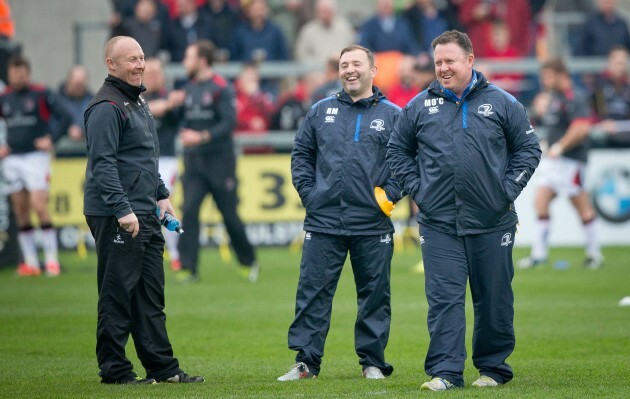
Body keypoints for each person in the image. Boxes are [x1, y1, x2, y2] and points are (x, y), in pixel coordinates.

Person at [386, 30, 541, 390]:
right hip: (439, 223)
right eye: (438, 62)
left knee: (494, 300)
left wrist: (506, 191)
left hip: (493, 220)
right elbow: (397, 151)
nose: (442, 68)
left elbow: (528, 150)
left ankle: (493, 370)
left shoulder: (503, 102)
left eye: (449, 61)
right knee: (443, 299)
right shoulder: (418, 106)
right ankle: (445, 372)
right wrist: (418, 189)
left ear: (470, 61)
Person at [277, 44, 405, 382]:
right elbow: (301, 155)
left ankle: (373, 363)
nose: (349, 69)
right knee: (312, 294)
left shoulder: (393, 114)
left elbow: (406, 163)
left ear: (373, 71)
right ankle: (306, 364)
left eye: (357, 64)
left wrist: (390, 195)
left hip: (372, 222)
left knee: (375, 296)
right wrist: (310, 194)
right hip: (323, 221)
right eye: (344, 64)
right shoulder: (320, 111)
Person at [83, 35, 204, 384]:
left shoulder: (137, 101)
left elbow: (143, 157)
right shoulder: (106, 107)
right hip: (118, 213)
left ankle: (163, 369)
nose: (139, 65)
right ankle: (115, 370)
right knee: (118, 293)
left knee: (150, 294)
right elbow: (103, 165)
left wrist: (161, 195)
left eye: (141, 58)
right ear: (111, 64)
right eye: (131, 60)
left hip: (144, 210)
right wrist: (123, 209)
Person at [173, 40, 259, 283]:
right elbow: (178, 121)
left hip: (220, 163)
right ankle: (188, 268)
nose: (184, 63)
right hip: (194, 163)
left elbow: (229, 123)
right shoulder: (187, 90)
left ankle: (248, 261)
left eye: (188, 57)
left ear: (202, 60)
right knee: (188, 211)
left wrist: (200, 137)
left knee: (229, 215)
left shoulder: (222, 88)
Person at [517, 59, 603, 269]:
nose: (544, 81)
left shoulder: (576, 97)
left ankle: (594, 255)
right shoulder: (553, 98)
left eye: (547, 76)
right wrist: (537, 112)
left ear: (560, 75)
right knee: (540, 201)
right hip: (554, 161)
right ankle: (539, 254)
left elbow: (581, 128)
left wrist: (560, 147)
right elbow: (544, 122)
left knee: (582, 206)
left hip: (571, 161)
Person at [0, 55, 73, 276]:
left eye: (21, 72)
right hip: (13, 159)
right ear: (9, 75)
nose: (18, 76)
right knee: (20, 210)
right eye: (14, 73)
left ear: (28, 74)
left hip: (36, 158)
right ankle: (30, 262)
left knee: (39, 206)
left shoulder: (41, 93)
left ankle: (52, 261)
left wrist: (51, 139)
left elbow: (66, 117)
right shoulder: (4, 98)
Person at [143, 57, 182, 271]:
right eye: (148, 73)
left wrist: (171, 104)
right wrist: (167, 105)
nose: (152, 77)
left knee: (164, 204)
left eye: (156, 74)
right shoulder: (136, 98)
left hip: (165, 159)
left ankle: (175, 253)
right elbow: (151, 109)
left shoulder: (170, 97)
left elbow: (180, 117)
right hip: (140, 160)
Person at [590, 46, 630, 148]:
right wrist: (601, 122)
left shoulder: (628, 85)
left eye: (623, 63)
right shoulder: (599, 84)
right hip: (603, 130)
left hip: (625, 129)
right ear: (610, 63)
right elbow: (592, 111)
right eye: (618, 63)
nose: (620, 67)